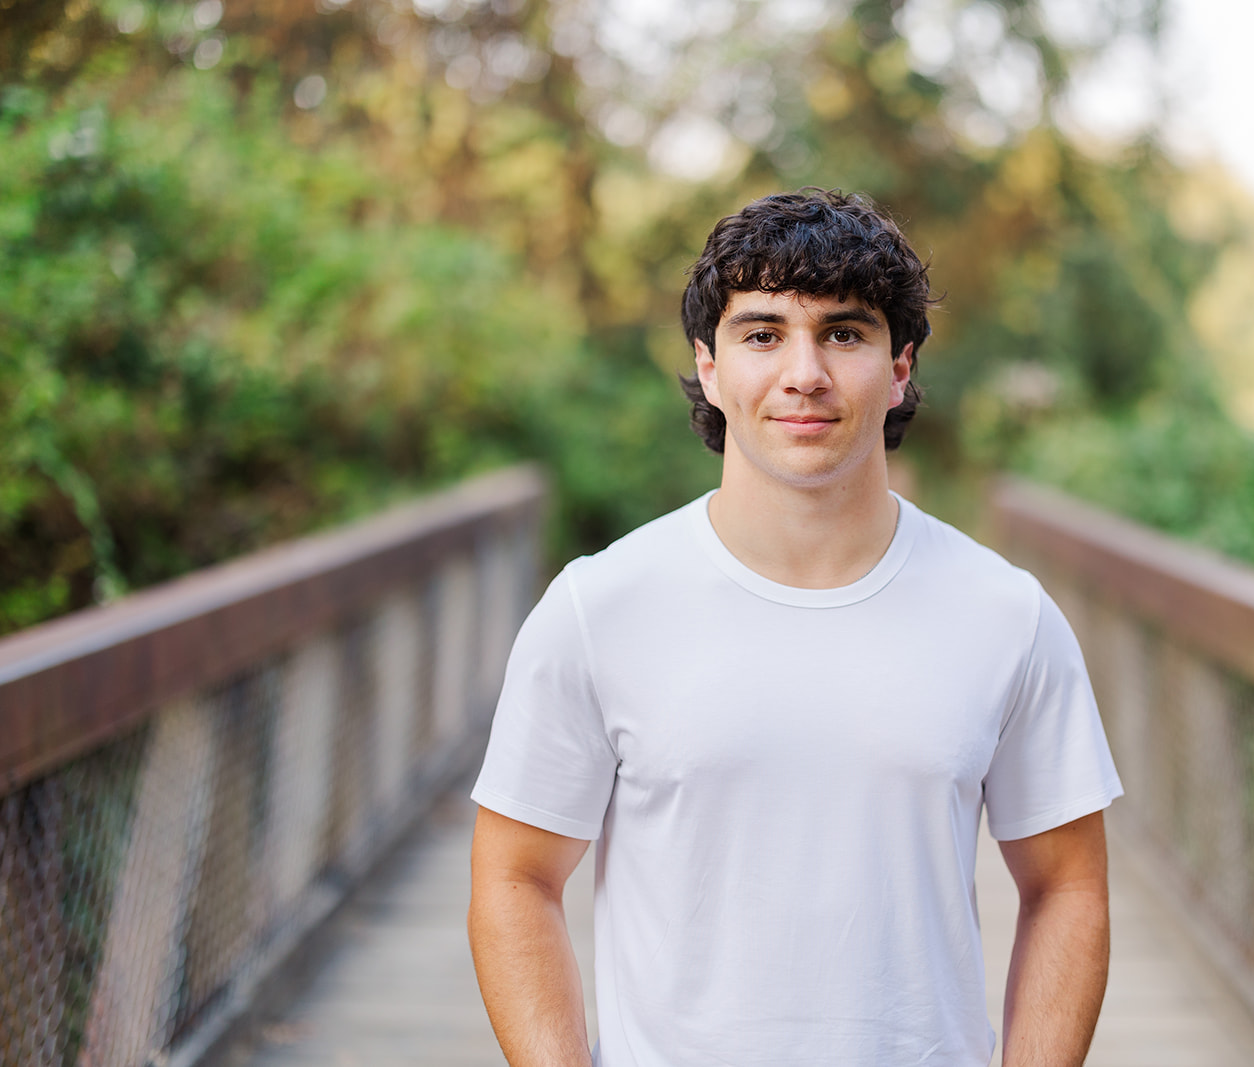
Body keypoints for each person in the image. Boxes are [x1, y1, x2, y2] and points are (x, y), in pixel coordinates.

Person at [468, 189, 1123, 1067]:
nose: (804, 373)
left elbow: (1068, 887)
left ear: (900, 367)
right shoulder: (600, 607)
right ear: (710, 366)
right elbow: (515, 877)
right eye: (763, 333)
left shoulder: (1006, 614)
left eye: (844, 333)